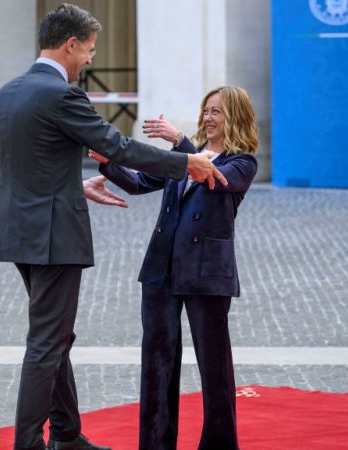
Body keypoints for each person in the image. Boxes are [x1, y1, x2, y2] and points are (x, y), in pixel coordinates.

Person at [0, 4, 227, 450]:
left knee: (54, 336)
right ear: (70, 44)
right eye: (89, 51)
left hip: (19, 232)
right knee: (46, 343)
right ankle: (29, 444)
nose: (90, 61)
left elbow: (28, 167)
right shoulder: (60, 95)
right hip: (54, 236)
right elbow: (115, 146)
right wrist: (185, 162)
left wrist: (76, 186)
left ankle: (65, 434)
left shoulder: (8, 93)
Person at [91, 86, 258, 450]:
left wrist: (181, 142)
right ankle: (154, 444)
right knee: (156, 366)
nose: (209, 118)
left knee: (215, 369)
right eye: (206, 110)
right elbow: (138, 184)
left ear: (236, 118)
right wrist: (107, 162)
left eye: (217, 111)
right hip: (161, 269)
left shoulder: (242, 162)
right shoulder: (185, 157)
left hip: (207, 273)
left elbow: (212, 177)